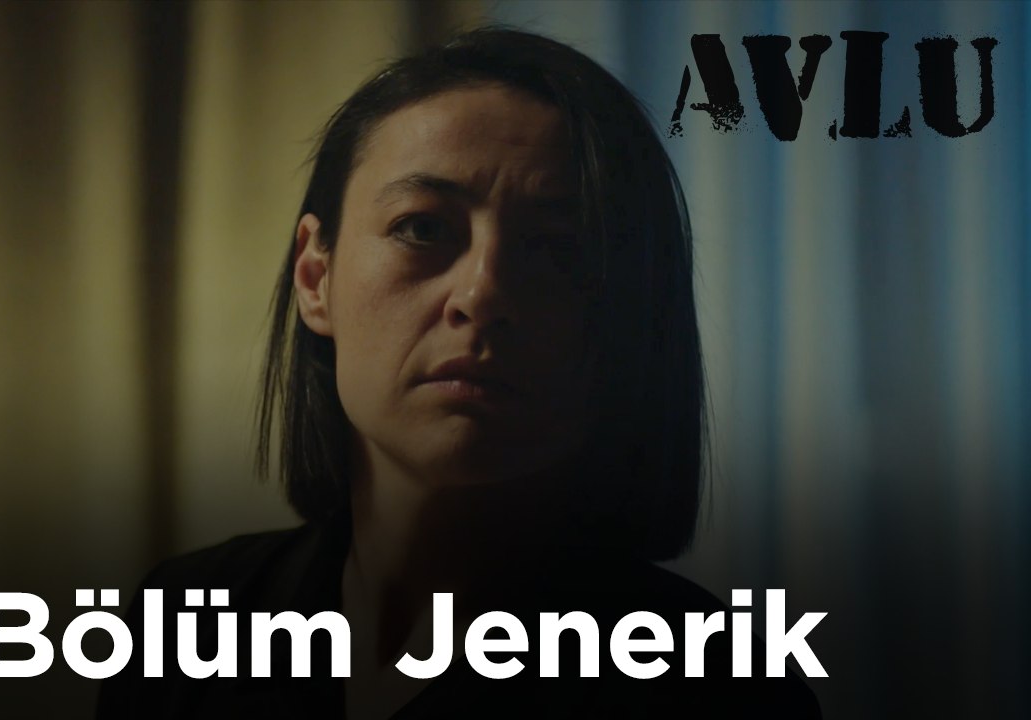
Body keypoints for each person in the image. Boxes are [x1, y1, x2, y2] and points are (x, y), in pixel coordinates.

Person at [98, 26, 820, 719]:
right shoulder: (188, 623)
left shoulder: (717, 688)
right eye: (423, 228)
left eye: (558, 248)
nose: (481, 295)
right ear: (316, 277)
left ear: (627, 317)